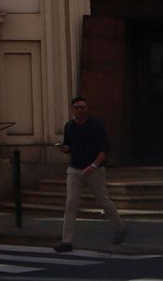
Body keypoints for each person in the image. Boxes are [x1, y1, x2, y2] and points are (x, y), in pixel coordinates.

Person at [53, 95, 127, 253]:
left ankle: (119, 228)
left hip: (94, 170)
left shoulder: (95, 125)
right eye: (77, 107)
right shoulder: (69, 126)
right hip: (75, 170)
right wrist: (63, 148)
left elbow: (103, 149)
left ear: (87, 109)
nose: (80, 110)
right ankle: (66, 241)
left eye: (83, 107)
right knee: (70, 205)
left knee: (103, 201)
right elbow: (69, 147)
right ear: (72, 110)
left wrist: (93, 166)